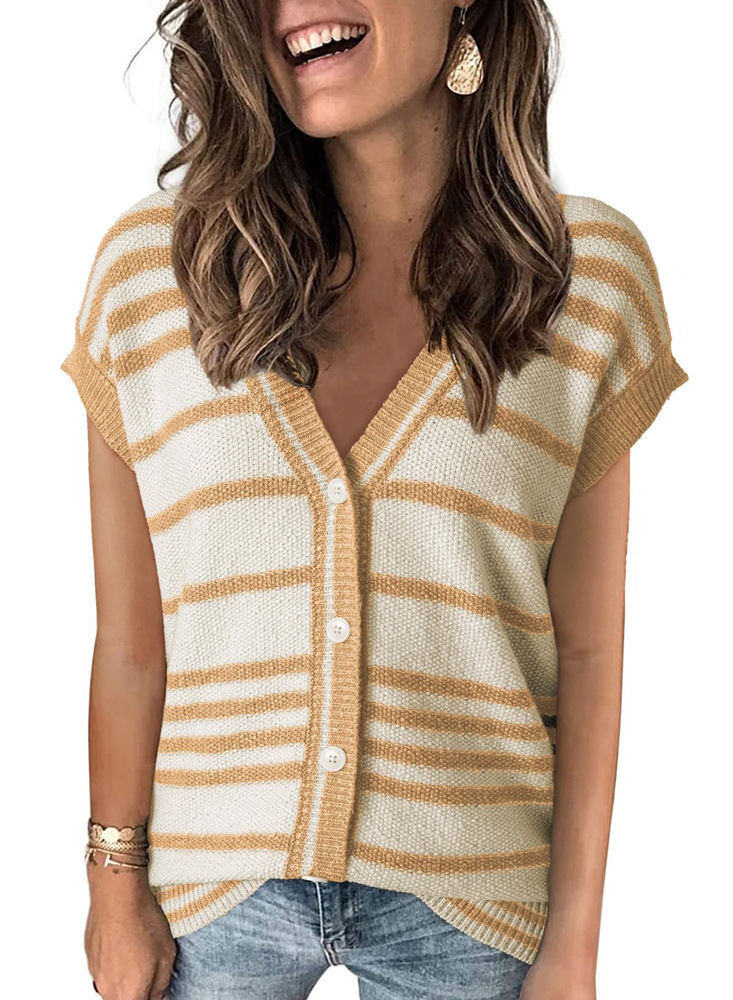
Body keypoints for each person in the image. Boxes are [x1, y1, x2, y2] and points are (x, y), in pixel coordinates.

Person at [60, 1, 689, 998]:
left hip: (477, 902)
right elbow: (132, 643)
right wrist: (111, 884)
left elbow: (587, 652)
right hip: (207, 902)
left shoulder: (582, 281)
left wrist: (575, 947)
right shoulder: (154, 276)